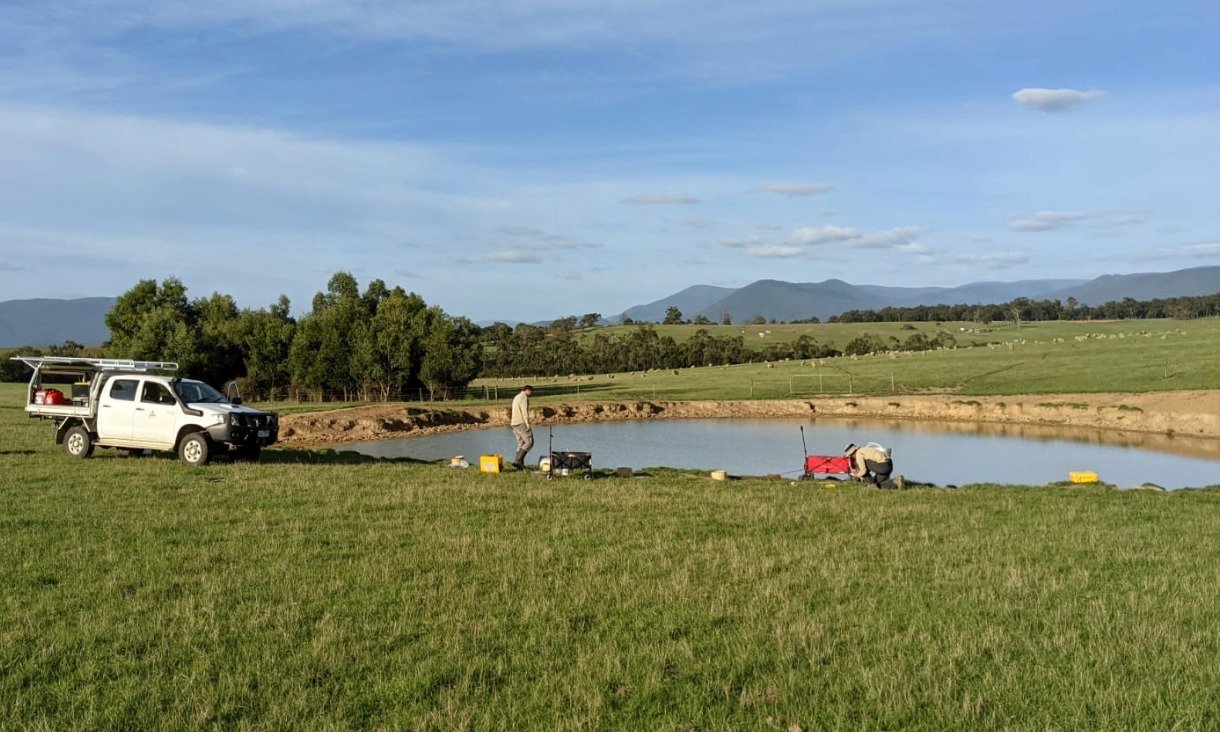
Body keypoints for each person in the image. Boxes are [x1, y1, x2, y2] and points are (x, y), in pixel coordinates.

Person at [510, 385, 535, 469]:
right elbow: (524, 411)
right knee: (529, 442)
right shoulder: (524, 397)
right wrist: (527, 424)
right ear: (527, 390)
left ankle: (520, 466)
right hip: (521, 423)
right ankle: (517, 461)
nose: (532, 394)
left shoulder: (517, 396)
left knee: (521, 443)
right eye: (531, 391)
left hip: (514, 423)